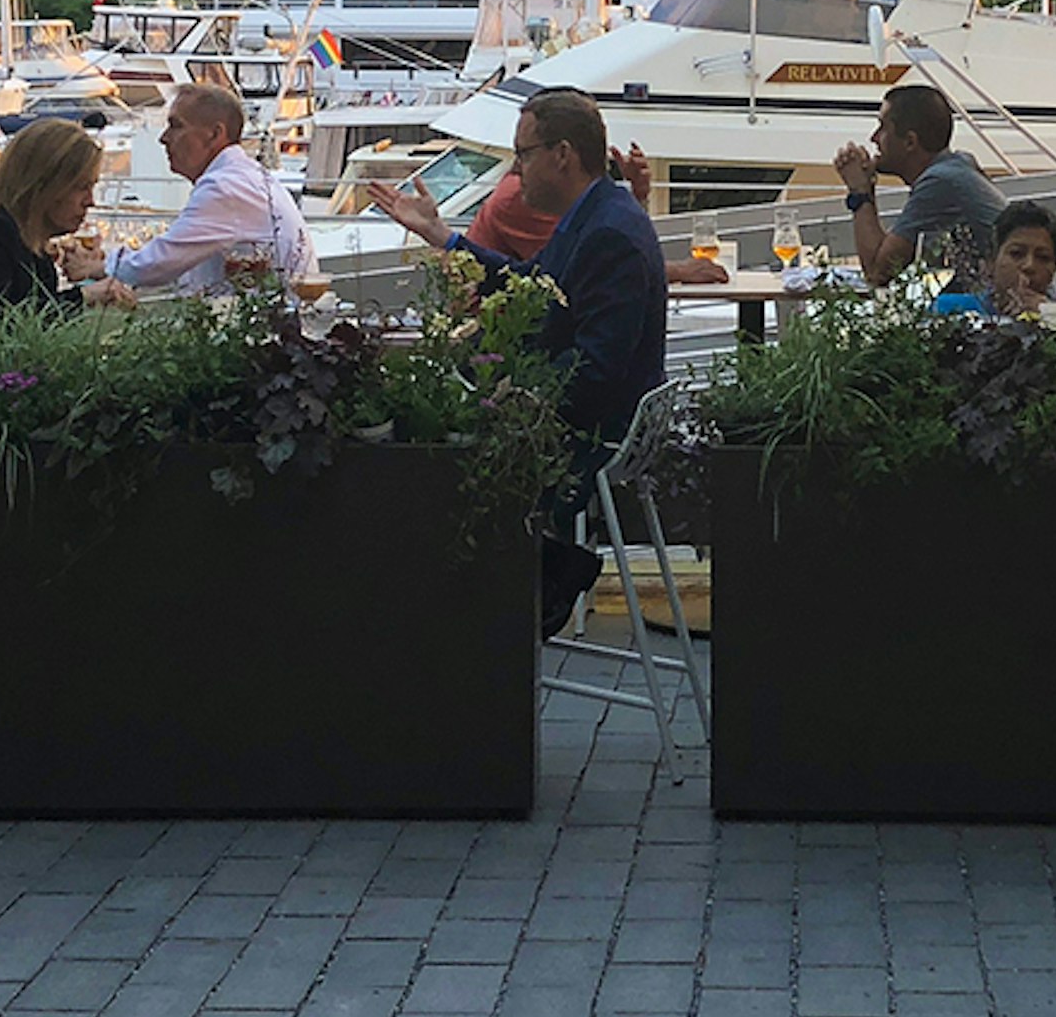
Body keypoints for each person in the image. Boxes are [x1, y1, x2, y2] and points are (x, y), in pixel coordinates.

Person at [366, 86, 665, 634]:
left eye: (522, 154)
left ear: (562, 154)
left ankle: (473, 625)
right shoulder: (597, 215)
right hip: (595, 418)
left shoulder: (607, 234)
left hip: (593, 435)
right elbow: (534, 285)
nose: (516, 170)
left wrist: (518, 399)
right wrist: (441, 235)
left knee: (427, 459)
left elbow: (596, 370)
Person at [107, 79, 315, 296]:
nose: (164, 138)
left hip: (265, 323)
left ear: (215, 134)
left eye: (176, 126)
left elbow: (154, 266)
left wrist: (102, 265)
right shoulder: (246, 176)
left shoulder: (225, 187)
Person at [0, 120, 134, 313]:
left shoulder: (30, 251)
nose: (90, 201)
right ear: (44, 187)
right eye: (82, 187)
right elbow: (2, 326)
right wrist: (85, 296)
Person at [834, 82, 1001, 287]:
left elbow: (877, 273)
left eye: (883, 127)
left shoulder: (939, 183)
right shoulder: (960, 165)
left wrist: (860, 191)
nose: (874, 138)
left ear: (910, 142)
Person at [979, 202, 1056, 317]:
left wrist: (1049, 316)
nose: (1029, 266)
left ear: (1054, 269)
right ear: (992, 262)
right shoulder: (955, 311)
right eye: (1016, 253)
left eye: (1042, 257)